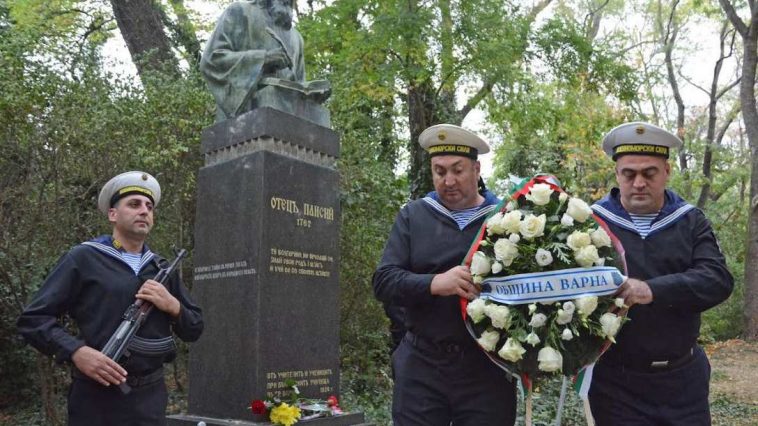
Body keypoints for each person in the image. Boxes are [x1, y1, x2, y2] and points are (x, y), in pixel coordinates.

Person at [17, 171, 204, 426]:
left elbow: (194, 328)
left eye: (149, 207)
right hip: (95, 400)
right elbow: (33, 319)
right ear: (113, 214)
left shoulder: (160, 268)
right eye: (134, 204)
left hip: (150, 401)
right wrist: (76, 351)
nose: (144, 211)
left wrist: (173, 306)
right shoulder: (84, 258)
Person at [588, 122, 734, 425]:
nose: (639, 183)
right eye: (629, 174)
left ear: (667, 171)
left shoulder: (690, 220)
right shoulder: (592, 223)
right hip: (616, 385)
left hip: (683, 382)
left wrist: (651, 290)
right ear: (617, 174)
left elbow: (717, 280)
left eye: (649, 173)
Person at [373, 124, 517, 425]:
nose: (448, 181)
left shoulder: (507, 219)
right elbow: (384, 281)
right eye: (439, 172)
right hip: (422, 366)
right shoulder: (413, 215)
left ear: (476, 169)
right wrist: (435, 283)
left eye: (457, 170)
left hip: (487, 369)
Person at [200, 0, 329, 122]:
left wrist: (311, 94)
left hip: (288, 119)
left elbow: (299, 84)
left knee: (317, 114)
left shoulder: (296, 38)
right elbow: (212, 60)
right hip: (247, 118)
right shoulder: (240, 12)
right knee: (270, 96)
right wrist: (263, 59)